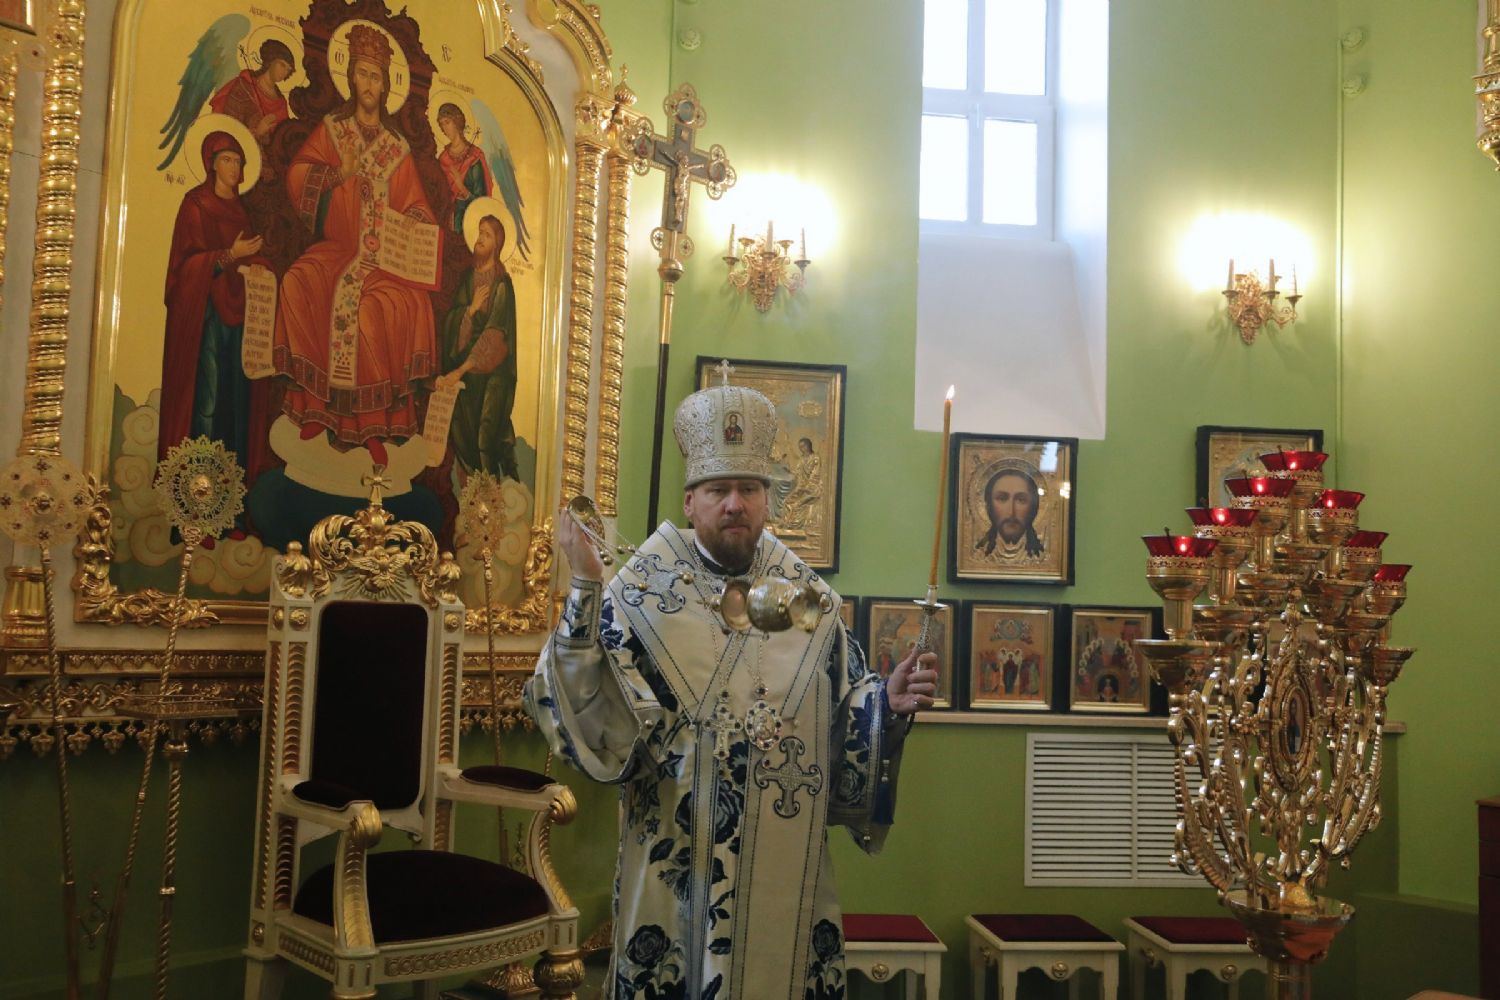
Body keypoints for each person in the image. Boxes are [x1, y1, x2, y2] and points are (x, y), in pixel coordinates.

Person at [526, 380, 938, 999]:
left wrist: (886, 705)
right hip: (673, 857)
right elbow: (578, 703)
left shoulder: (811, 602)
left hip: (782, 859)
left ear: (768, 502)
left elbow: (843, 710)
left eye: (749, 489)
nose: (735, 504)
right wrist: (585, 586)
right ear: (690, 502)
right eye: (718, 490)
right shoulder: (640, 593)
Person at [272, 23, 438, 467]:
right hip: (338, 250)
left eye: (376, 76)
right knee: (298, 281)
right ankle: (316, 409)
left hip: (384, 262)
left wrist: (414, 221)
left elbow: (417, 204)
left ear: (385, 86)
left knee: (374, 309)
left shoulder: (397, 148)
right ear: (351, 78)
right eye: (362, 73)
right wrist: (336, 174)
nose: (368, 83)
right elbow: (297, 176)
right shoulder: (333, 130)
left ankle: (372, 424)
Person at [158, 131, 274, 506]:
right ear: (211, 164)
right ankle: (196, 498)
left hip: (238, 318)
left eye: (238, 161)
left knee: (236, 403)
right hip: (205, 317)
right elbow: (185, 268)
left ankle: (230, 502)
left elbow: (248, 258)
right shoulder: (196, 205)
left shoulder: (241, 212)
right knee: (205, 402)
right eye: (227, 159)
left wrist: (258, 266)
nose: (234, 167)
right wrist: (228, 255)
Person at [438, 214, 518, 479]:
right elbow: (452, 323)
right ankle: (474, 493)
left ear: (497, 243)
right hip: (467, 373)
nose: (480, 238)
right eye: (480, 232)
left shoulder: (502, 285)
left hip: (494, 374)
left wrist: (460, 371)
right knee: (464, 434)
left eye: (487, 234)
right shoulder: (468, 280)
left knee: (486, 435)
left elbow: (495, 336)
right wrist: (470, 311)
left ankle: (491, 495)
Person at [208, 39, 296, 178]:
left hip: (272, 168)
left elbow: (282, 142)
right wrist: (257, 132)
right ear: (270, 60)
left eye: (288, 70)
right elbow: (228, 130)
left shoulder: (281, 103)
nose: (284, 71)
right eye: (282, 65)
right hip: (241, 162)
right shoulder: (244, 87)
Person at [435, 102, 495, 234]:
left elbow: (481, 201)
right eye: (441, 124)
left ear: (457, 122)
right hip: (444, 222)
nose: (444, 128)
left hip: (465, 225)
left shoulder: (474, 158)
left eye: (447, 122)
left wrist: (461, 188)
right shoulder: (443, 158)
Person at [977, 465, 1044, 559]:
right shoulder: (979, 554)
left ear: (1033, 507)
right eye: (1001, 498)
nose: (1011, 512)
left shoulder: (1041, 556)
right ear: (989, 505)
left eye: (1021, 500)